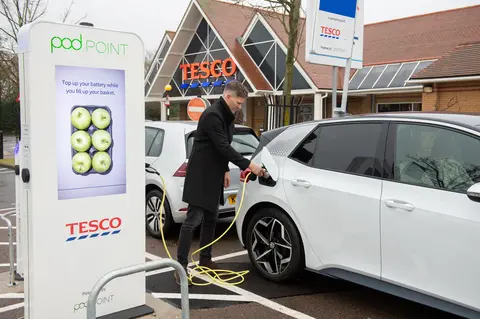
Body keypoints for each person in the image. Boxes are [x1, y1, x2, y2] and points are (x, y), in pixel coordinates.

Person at [174, 80, 265, 285]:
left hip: (214, 174)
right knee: (192, 221)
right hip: (200, 176)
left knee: (211, 219)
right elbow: (223, 146)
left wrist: (224, 169)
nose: (239, 106)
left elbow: (222, 147)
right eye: (238, 103)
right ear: (228, 97)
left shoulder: (227, 117)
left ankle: (206, 260)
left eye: (242, 104)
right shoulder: (213, 115)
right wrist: (250, 166)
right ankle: (180, 269)